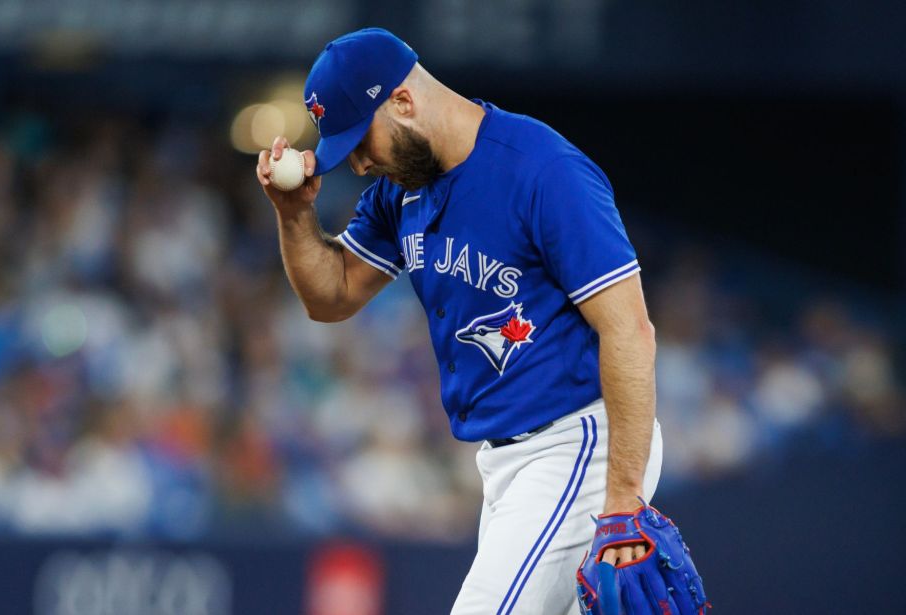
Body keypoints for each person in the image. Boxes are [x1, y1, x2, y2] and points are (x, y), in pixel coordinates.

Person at [256, 28, 695, 615]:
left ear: (404, 102)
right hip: (504, 462)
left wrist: (621, 499)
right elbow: (330, 297)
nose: (358, 164)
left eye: (361, 140)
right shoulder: (401, 190)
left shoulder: (542, 168)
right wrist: (294, 216)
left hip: (578, 442)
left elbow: (630, 330)